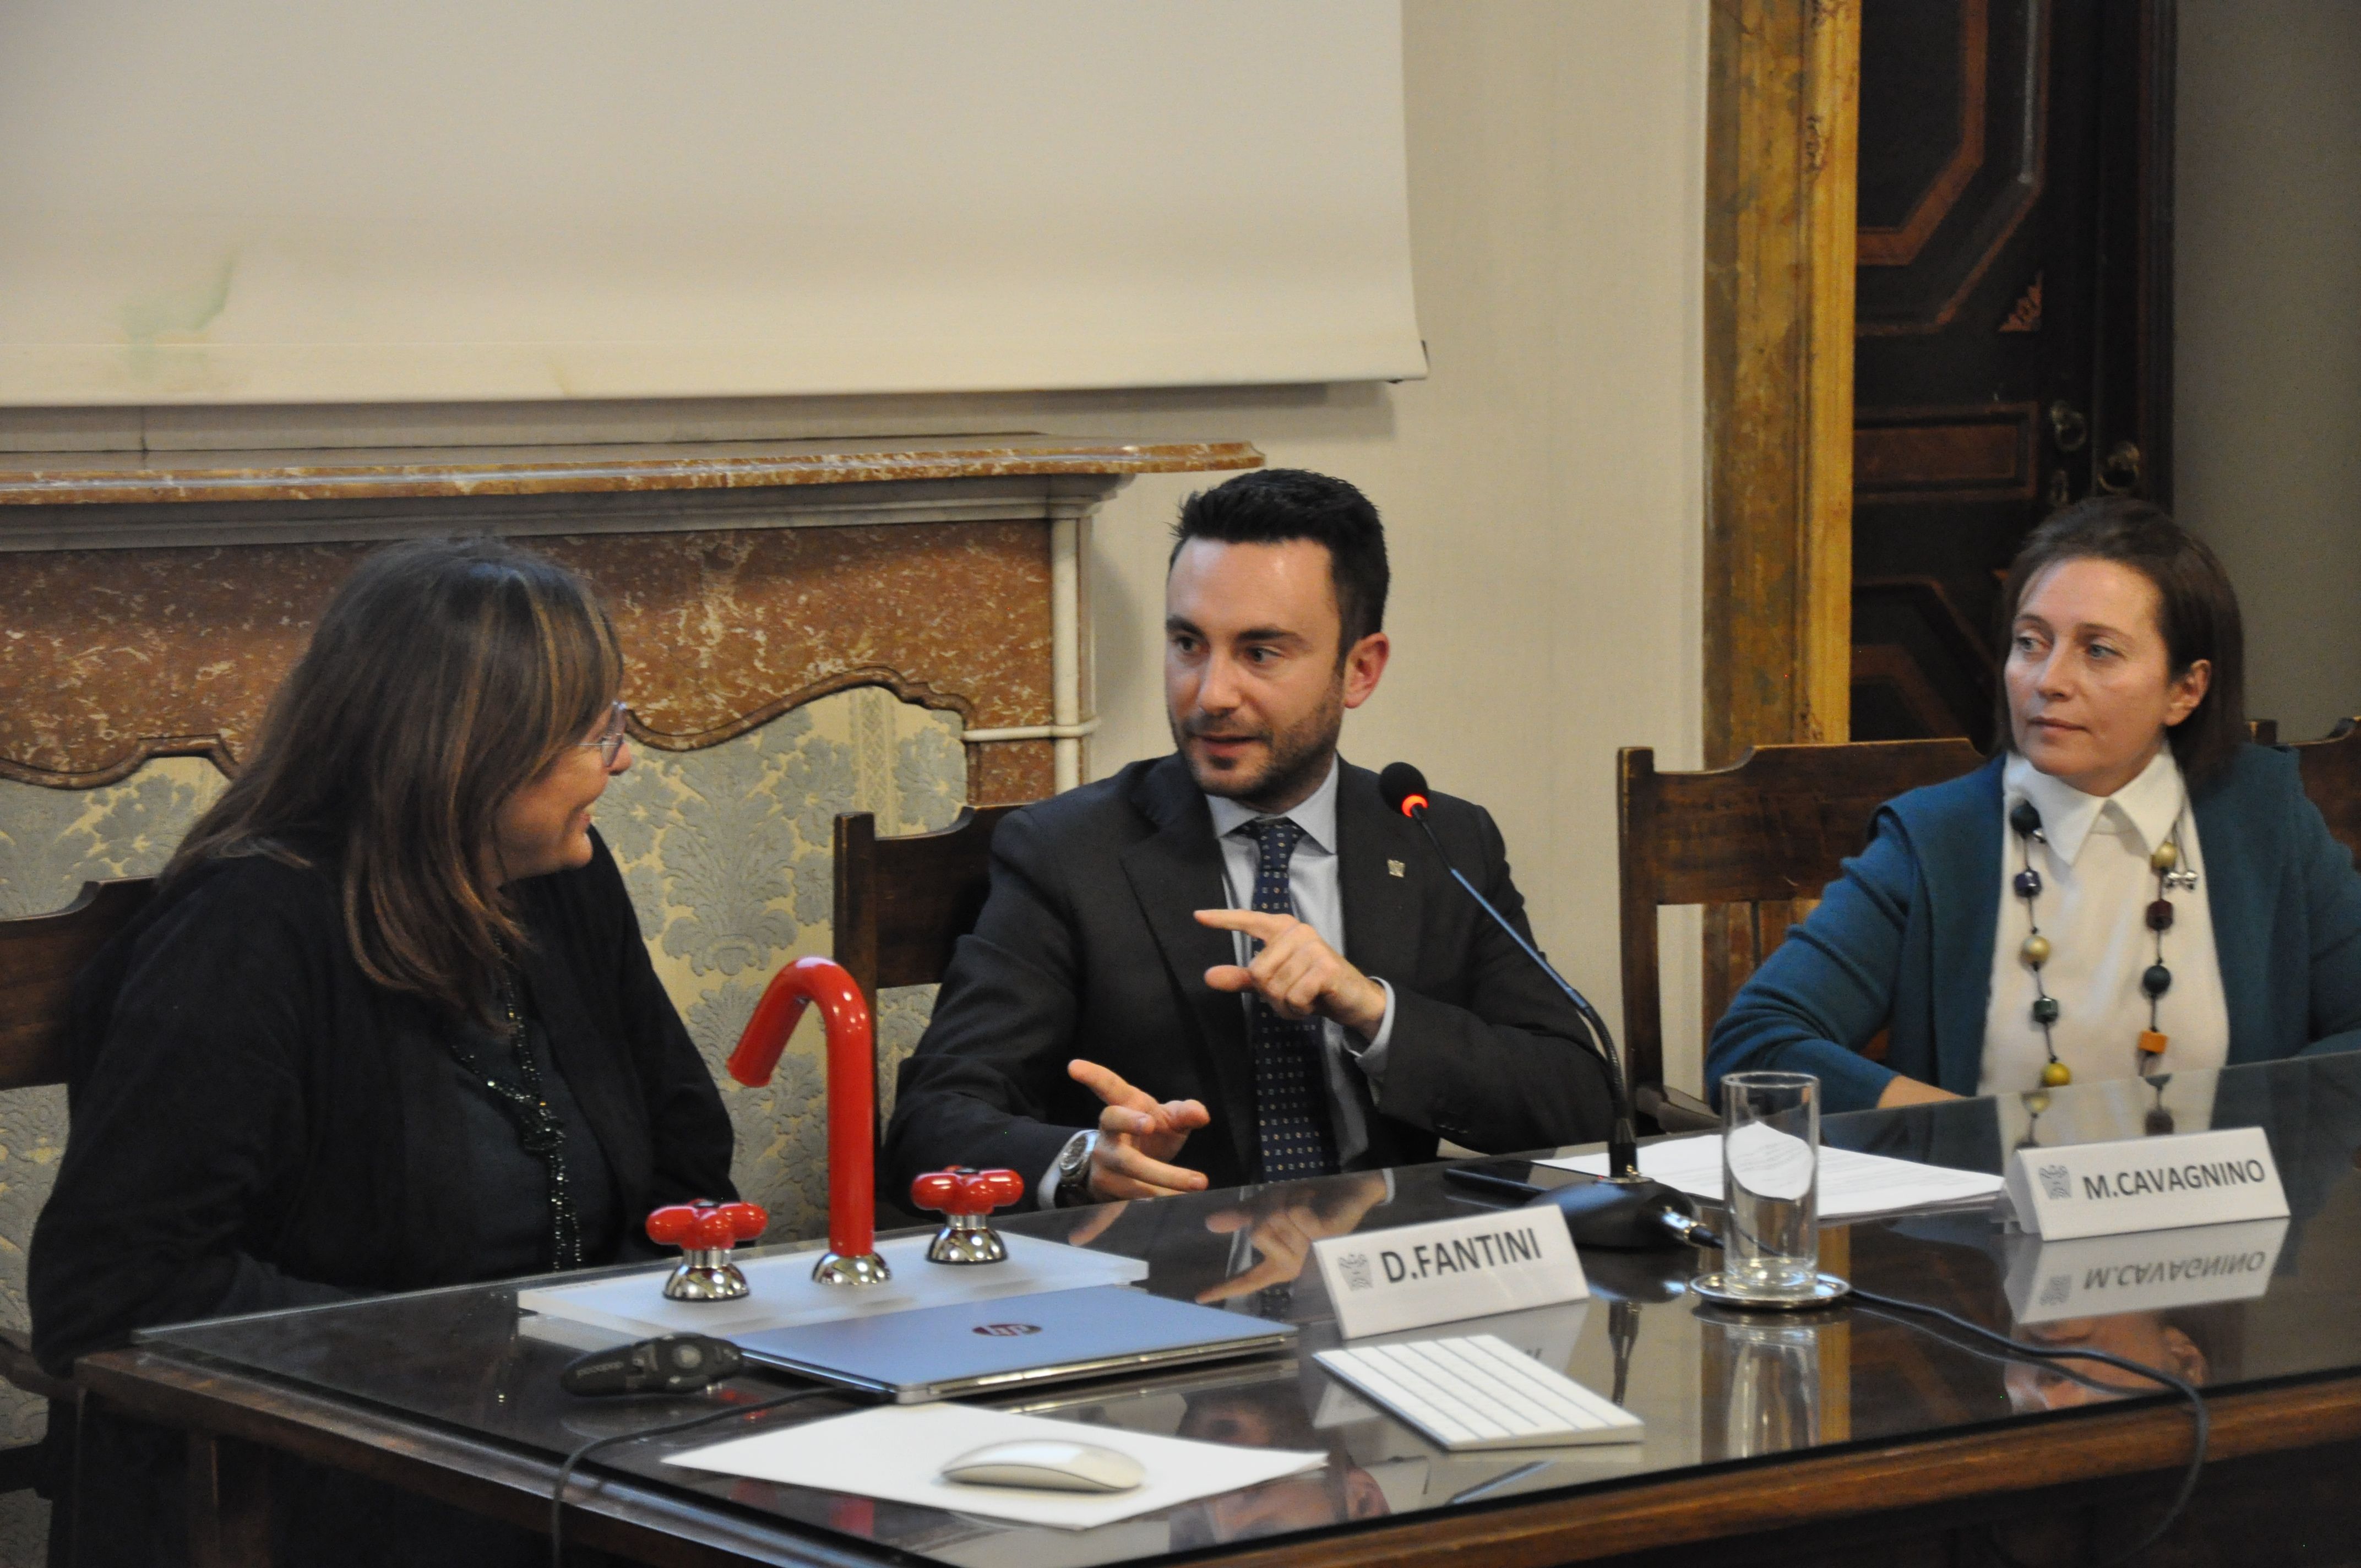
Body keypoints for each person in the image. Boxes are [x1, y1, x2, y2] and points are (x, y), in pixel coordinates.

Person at [29, 538, 737, 1567]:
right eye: (597, 733)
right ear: (471, 753)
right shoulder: (248, 933)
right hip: (321, 1480)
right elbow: (113, 1289)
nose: (622, 760)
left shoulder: (564, 884)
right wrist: (481, 1353)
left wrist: (632, 1369)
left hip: (573, 1452)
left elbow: (687, 1165)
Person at [883, 469, 1614, 1207]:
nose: (1211, 694)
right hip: (1169, 1263)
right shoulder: (1067, 853)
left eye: (1260, 653)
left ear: (1359, 669)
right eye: (1188, 644)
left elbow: (1579, 1099)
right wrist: (1081, 1165)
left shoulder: (1439, 840)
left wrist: (1372, 1009)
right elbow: (932, 1121)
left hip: (1383, 1255)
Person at [1709, 497, 2361, 1113]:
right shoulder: (1937, 840)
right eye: (2030, 642)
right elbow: (1755, 1045)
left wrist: (2262, 1136)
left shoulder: (2262, 816)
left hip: (2220, 1196)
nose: (2049, 681)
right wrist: (1959, 1132)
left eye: (2097, 651)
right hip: (1995, 1196)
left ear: (2184, 690)